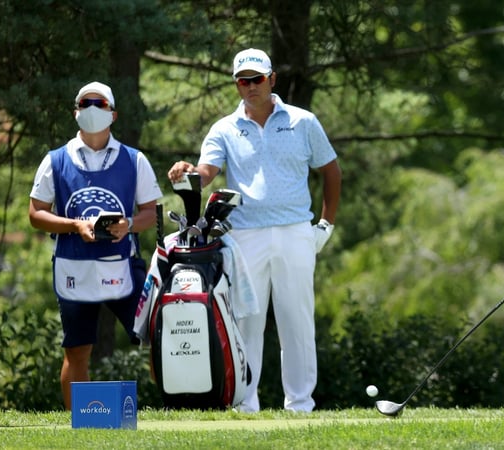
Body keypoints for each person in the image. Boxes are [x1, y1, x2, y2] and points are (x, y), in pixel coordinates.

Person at [168, 48, 342, 413]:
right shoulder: (224, 129)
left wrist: (325, 224)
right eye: (243, 81)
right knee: (247, 319)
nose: (250, 87)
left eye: (257, 79)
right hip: (245, 236)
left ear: (272, 79)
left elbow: (331, 171)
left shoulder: (302, 121)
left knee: (297, 319)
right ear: (237, 85)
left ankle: (300, 404)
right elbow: (205, 173)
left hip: (295, 230)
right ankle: (245, 403)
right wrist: (186, 174)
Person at [29, 81, 163, 410]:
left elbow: (151, 214)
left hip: (123, 266)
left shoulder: (135, 160)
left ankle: (169, 411)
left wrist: (127, 225)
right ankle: (80, 421)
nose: (91, 108)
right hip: (74, 265)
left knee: (157, 336)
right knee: (77, 350)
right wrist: (75, 225)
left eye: (99, 103)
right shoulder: (55, 160)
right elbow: (35, 214)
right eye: (84, 103)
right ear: (76, 113)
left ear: (113, 114)